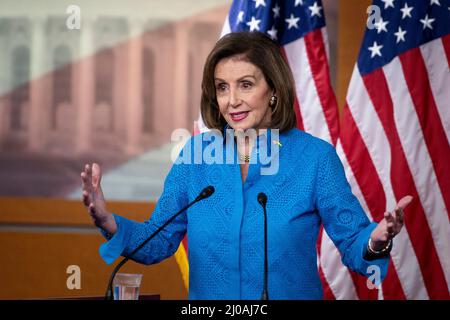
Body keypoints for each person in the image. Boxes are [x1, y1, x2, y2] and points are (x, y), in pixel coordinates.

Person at [81, 32, 412, 299]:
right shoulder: (195, 156)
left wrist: (376, 239)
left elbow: (354, 241)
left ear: (273, 90)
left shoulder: (315, 159)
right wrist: (107, 219)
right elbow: (157, 241)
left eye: (246, 84)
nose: (231, 100)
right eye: (222, 87)